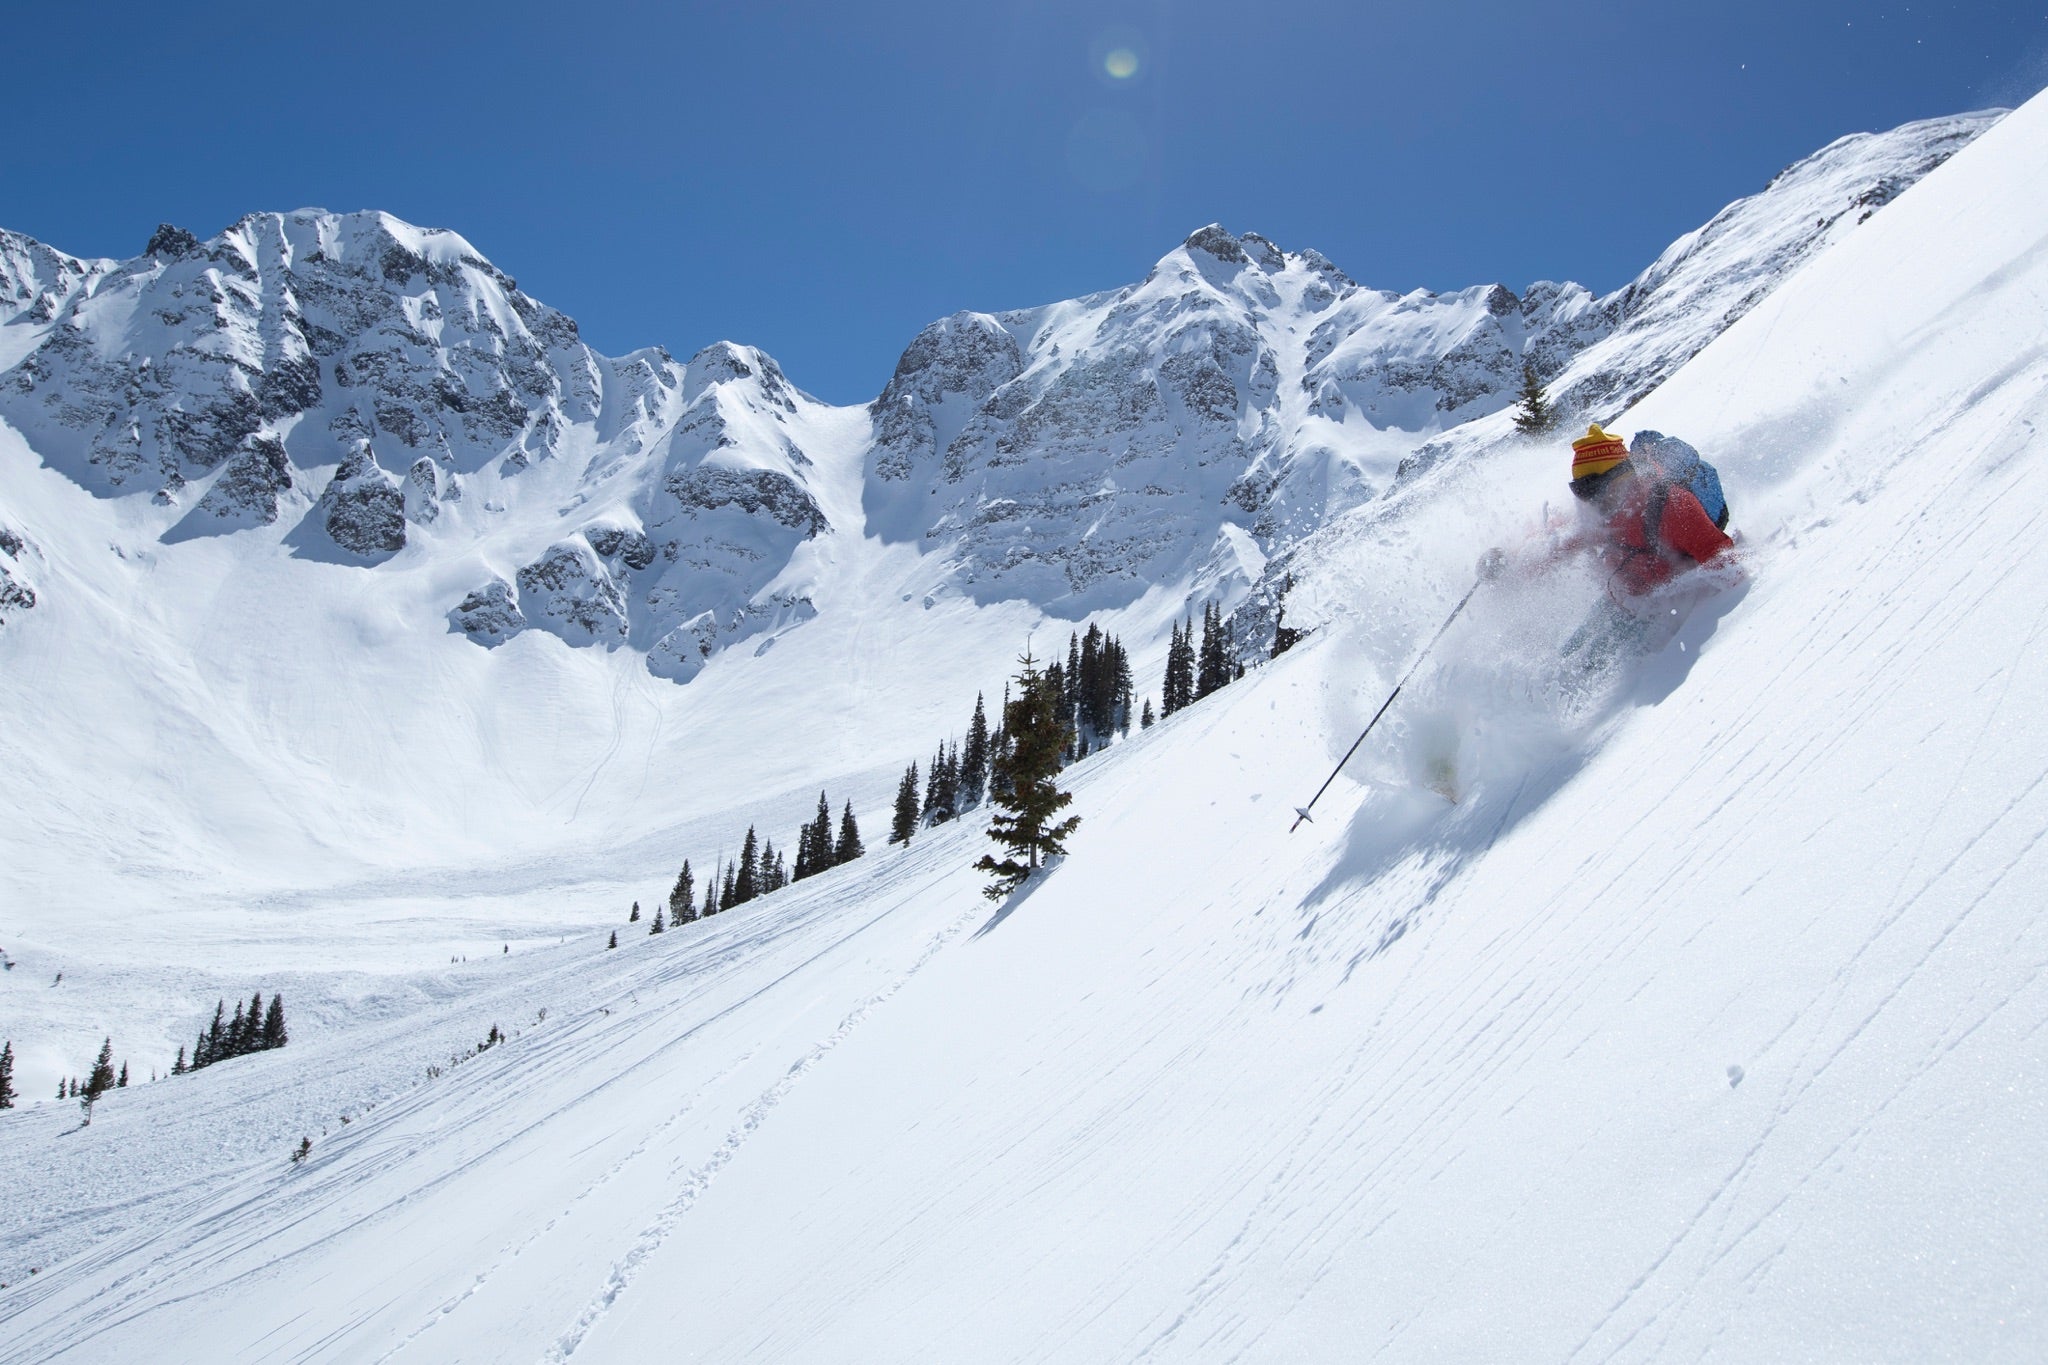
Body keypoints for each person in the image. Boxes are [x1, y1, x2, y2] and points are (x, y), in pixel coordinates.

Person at [1481, 422, 1736, 671]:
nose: (1590, 498)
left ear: (1622, 477)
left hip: (1659, 611)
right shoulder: (1601, 513)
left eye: (1596, 488)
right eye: (1581, 489)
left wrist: (1701, 615)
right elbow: (1559, 546)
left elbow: (1727, 565)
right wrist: (1509, 566)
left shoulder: (1672, 508)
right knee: (1564, 666)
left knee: (1596, 675)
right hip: (1619, 602)